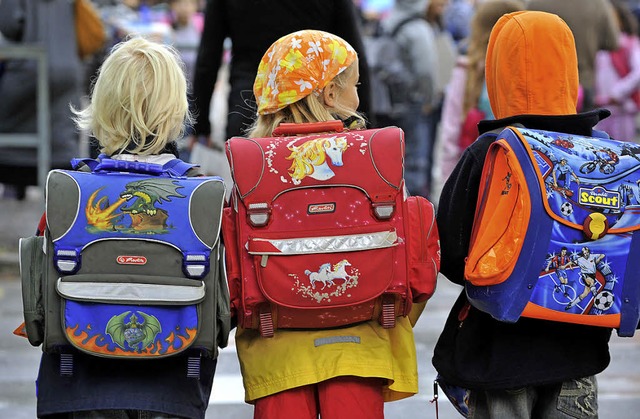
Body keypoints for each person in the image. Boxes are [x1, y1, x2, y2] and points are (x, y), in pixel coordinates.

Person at [238, 29, 435, 419]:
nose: (359, 96)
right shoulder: (375, 158)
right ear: (329, 94)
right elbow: (415, 267)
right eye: (355, 85)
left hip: (276, 351)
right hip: (360, 347)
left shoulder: (253, 165)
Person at [434, 11, 614, 418]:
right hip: (578, 352)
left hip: (499, 351)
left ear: (496, 71)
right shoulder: (597, 154)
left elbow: (449, 248)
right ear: (569, 69)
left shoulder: (491, 152)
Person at [34, 37, 218, 419]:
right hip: (175, 385)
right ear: (175, 110)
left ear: (101, 105)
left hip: (75, 385)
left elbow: (39, 295)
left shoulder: (69, 190)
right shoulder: (201, 195)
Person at [191, 0, 373, 147]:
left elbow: (208, 57)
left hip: (249, 112)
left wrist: (200, 127)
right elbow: (355, 59)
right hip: (322, 113)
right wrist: (368, 129)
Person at [432, 0, 523, 202]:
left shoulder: (466, 70)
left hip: (472, 181)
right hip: (518, 181)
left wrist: (447, 191)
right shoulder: (526, 72)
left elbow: (450, 134)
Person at [0, 0, 84, 199]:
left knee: (13, 140)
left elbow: (9, 24)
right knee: (60, 135)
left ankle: (15, 185)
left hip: (28, 68)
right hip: (68, 66)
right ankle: (56, 210)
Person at [378, 0, 437, 197]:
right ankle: (417, 211)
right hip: (413, 101)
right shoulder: (418, 28)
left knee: (393, 159)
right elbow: (426, 71)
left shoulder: (388, 22)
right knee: (415, 160)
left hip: (389, 101)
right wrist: (429, 98)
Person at [526, 0, 619, 111]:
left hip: (541, 83)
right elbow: (612, 42)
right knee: (582, 127)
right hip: (583, 81)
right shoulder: (598, 3)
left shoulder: (534, 3)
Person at [594, 0, 640, 142]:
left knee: (623, 148)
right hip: (600, 108)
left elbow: (637, 72)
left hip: (622, 108)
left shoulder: (628, 43)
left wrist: (617, 93)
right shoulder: (599, 44)